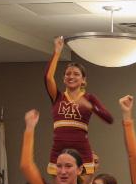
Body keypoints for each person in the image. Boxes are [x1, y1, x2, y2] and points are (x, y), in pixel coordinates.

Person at [45, 37, 113, 175]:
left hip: (82, 150)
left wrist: (90, 106)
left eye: (76, 74)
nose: (71, 76)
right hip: (58, 150)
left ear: (83, 80)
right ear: (64, 79)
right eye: (68, 74)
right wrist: (57, 52)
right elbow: (48, 77)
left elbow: (109, 118)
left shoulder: (89, 98)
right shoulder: (58, 97)